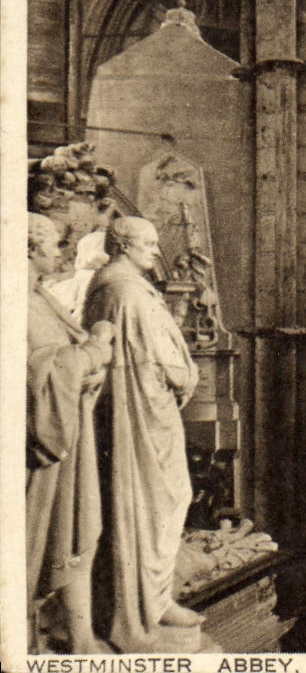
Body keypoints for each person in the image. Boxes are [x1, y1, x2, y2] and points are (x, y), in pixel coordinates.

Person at [83, 216, 203, 650]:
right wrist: (184, 376)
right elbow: (156, 357)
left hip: (149, 412)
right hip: (140, 417)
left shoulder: (126, 287)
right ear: (123, 246)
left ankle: (154, 598)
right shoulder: (125, 292)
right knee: (150, 503)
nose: (156, 251)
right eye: (149, 244)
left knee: (164, 500)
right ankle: (136, 612)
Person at [27, 213, 115, 653]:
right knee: (46, 541)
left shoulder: (39, 296)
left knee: (78, 533)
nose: (61, 252)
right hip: (43, 452)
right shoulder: (20, 302)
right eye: (55, 245)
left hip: (67, 438)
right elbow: (39, 373)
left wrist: (86, 354)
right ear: (29, 249)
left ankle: (78, 637)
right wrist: (98, 345)